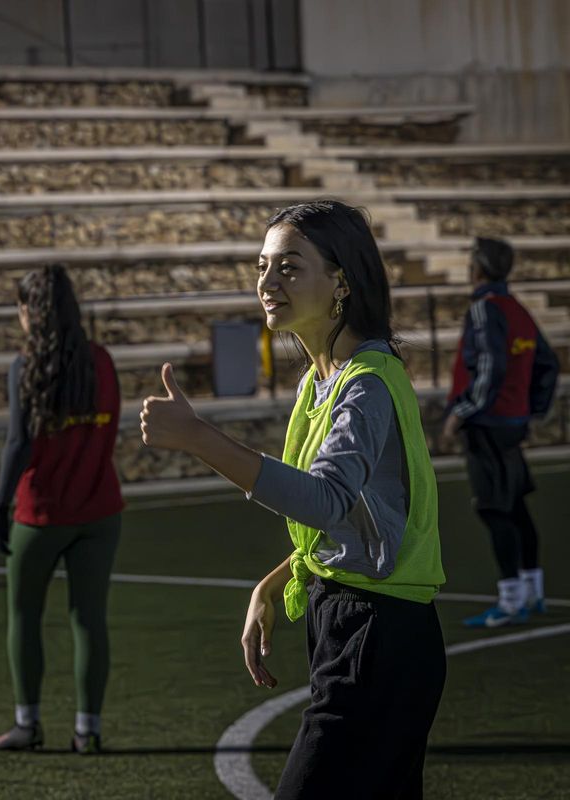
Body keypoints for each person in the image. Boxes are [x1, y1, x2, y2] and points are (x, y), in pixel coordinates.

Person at [141, 201, 446, 798]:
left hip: (378, 639)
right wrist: (277, 579)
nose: (267, 282)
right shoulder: (320, 381)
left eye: (288, 267)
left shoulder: (367, 385)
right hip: (353, 628)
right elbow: (353, 518)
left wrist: (200, 438)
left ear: (340, 282)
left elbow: (328, 499)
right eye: (262, 267)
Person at [0, 265, 124, 755]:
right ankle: (88, 730)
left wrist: (0, 502)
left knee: (23, 614)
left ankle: (28, 723)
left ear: (30, 311)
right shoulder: (103, 361)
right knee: (89, 620)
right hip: (100, 509)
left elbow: (18, 444)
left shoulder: (24, 367)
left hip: (41, 513)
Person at [442, 236, 560, 628]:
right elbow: (548, 363)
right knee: (516, 507)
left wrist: (461, 412)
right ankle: (533, 591)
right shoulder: (517, 309)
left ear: (477, 269)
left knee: (494, 510)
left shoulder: (484, 309)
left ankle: (510, 600)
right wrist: (533, 410)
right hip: (511, 424)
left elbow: (489, 368)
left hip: (486, 426)